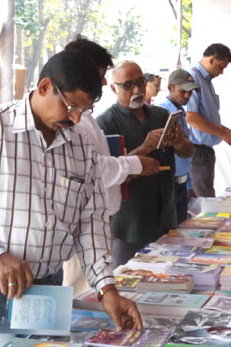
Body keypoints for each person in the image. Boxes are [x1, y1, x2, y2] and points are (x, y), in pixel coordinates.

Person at [0, 51, 142, 347]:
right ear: (44, 87)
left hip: (46, 293)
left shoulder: (80, 146)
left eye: (85, 111)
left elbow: (90, 222)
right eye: (71, 106)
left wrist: (107, 289)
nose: (76, 118)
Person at [62, 35, 160, 294]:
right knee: (80, 293)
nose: (103, 81)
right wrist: (135, 164)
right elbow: (90, 168)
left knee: (97, 290)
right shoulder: (71, 115)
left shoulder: (85, 113)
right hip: (79, 223)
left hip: (99, 219)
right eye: (100, 73)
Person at [97, 61, 193, 267]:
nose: (137, 89)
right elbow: (106, 173)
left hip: (166, 215)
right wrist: (145, 147)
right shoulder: (105, 123)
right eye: (128, 85)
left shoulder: (160, 115)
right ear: (113, 88)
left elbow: (187, 153)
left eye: (141, 82)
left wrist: (179, 142)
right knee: (127, 280)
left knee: (168, 274)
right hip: (131, 221)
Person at [186, 43, 231, 197]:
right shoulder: (192, 77)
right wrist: (223, 133)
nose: (221, 72)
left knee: (207, 195)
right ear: (211, 60)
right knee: (204, 199)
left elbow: (206, 117)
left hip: (204, 151)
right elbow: (191, 117)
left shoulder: (206, 81)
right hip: (196, 150)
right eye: (220, 66)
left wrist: (226, 132)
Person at [158, 69, 199, 224]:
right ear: (170, 88)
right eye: (184, 91)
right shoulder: (162, 112)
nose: (188, 95)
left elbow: (184, 154)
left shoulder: (180, 112)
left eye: (191, 92)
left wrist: (189, 184)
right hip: (170, 184)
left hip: (181, 183)